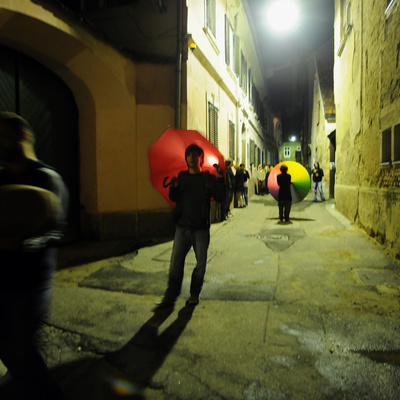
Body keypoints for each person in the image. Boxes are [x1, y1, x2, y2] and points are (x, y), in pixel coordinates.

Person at [0, 112, 68, 400]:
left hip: (32, 282)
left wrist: (22, 243)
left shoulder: (46, 178)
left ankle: (47, 393)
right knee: (6, 346)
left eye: (3, 135)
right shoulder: (1, 177)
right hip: (3, 279)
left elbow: (57, 231)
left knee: (21, 346)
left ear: (23, 136)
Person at [155, 144, 225, 310]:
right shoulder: (181, 177)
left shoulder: (208, 179)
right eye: (189, 155)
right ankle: (171, 296)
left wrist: (221, 179)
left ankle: (194, 293)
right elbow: (175, 198)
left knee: (200, 264)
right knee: (175, 264)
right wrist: (174, 186)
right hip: (182, 229)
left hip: (200, 229)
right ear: (186, 158)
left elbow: (220, 197)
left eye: (195, 155)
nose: (192, 158)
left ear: (201, 158)